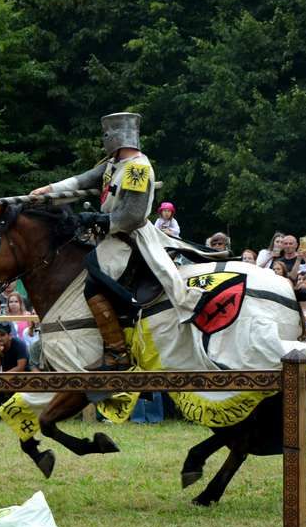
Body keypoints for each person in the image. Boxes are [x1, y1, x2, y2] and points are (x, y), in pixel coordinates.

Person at [31, 111, 191, 370]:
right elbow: (84, 180)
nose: (103, 141)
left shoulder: (137, 168)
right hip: (111, 236)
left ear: (115, 137)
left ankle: (117, 351)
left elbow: (132, 215)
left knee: (94, 279)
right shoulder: (114, 164)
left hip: (127, 236)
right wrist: (49, 192)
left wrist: (98, 220)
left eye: (105, 136)